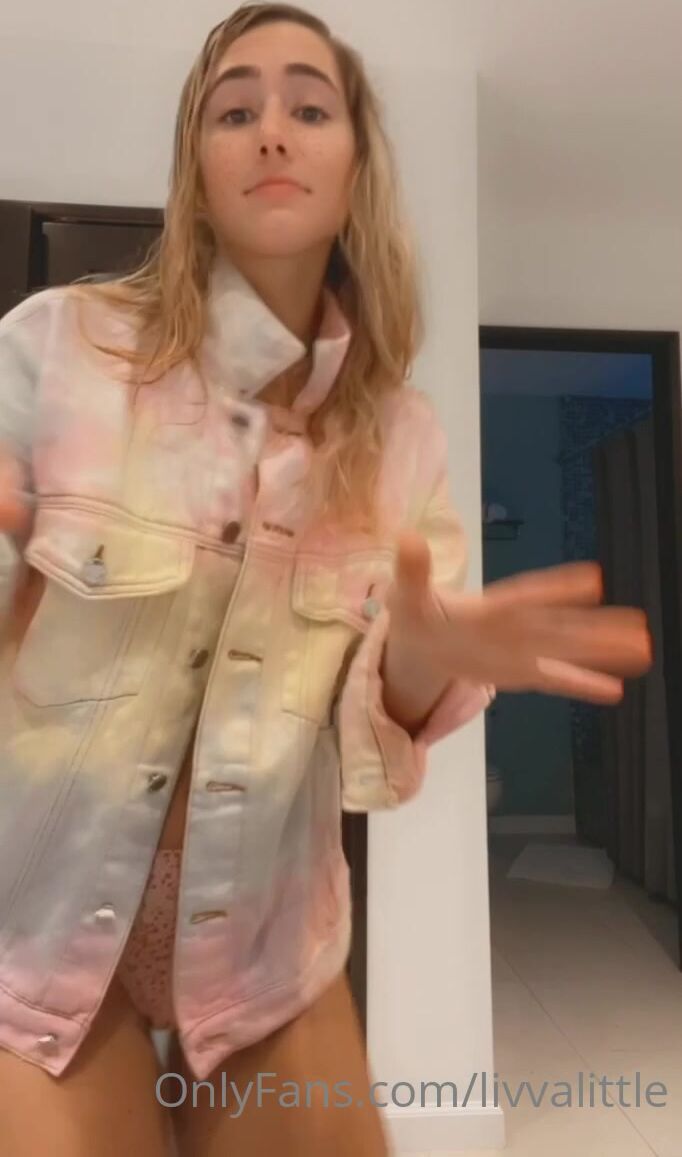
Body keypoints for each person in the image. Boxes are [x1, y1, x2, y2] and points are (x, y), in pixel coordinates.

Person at [0, 4, 652, 1155]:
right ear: (196, 170)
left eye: (309, 107)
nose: (271, 130)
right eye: (233, 111)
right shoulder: (57, 346)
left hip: (265, 942)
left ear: (355, 169)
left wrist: (423, 660)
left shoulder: (402, 436)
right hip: (40, 919)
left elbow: (381, 717)